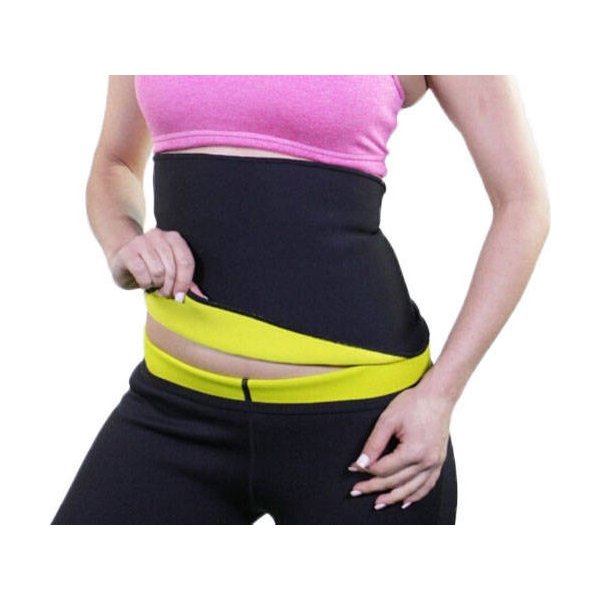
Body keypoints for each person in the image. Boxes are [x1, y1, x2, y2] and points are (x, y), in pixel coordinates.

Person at [51, 75, 550, 525]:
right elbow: (116, 163)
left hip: (366, 430)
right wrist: (123, 240)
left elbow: (523, 204)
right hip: (173, 407)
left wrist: (439, 396)